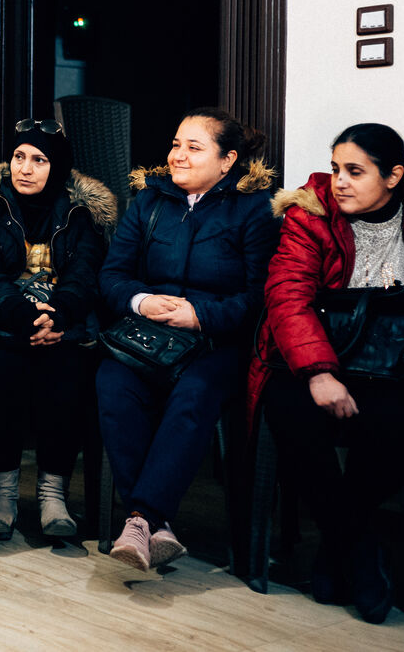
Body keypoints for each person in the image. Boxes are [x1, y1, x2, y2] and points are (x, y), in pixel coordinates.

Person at [250, 123, 404, 624]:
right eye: (335, 169)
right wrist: (318, 373)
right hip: (325, 352)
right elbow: (287, 297)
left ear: (394, 175)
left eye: (355, 171)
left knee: (398, 421)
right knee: (288, 408)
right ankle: (359, 548)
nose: (339, 182)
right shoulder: (310, 213)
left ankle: (337, 550)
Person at [97, 106, 277, 571]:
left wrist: (201, 315)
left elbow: (261, 295)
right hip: (148, 337)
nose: (177, 155)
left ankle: (141, 518)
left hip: (217, 343)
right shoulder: (149, 201)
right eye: (176, 144)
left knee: (194, 392)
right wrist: (141, 301)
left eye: (193, 147)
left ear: (228, 160)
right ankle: (153, 525)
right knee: (112, 382)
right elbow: (112, 275)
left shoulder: (255, 208)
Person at [0, 118, 116, 539]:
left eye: (39, 160)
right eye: (18, 157)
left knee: (69, 368)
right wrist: (21, 315)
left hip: (62, 323)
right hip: (1, 321)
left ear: (56, 166)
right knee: (0, 368)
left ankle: (52, 495)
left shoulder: (82, 212)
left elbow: (85, 275)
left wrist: (58, 314)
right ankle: (2, 495)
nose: (24, 169)